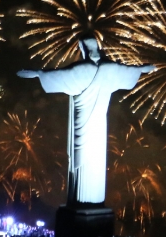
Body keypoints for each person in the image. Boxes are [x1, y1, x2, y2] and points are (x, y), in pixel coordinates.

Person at [18, 38, 153, 205]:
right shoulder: (110, 70)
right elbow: (130, 71)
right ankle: (91, 199)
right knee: (92, 159)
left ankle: (82, 200)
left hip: (85, 124)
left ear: (83, 50)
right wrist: (142, 69)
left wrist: (38, 73)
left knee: (81, 159)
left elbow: (58, 76)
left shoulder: (83, 70)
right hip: (98, 127)